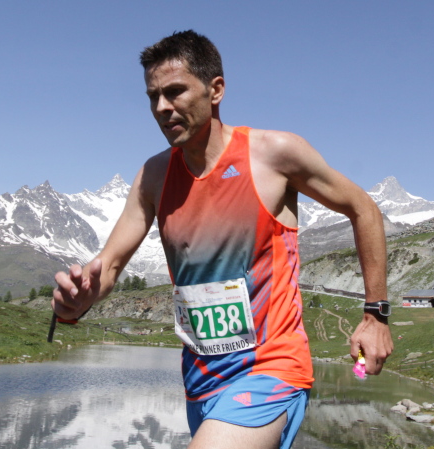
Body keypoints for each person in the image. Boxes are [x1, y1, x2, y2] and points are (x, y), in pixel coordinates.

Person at [53, 30, 393, 449]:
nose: (161, 107)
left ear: (216, 90)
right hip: (200, 383)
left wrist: (375, 316)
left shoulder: (275, 154)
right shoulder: (154, 176)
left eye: (175, 92)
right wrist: (79, 299)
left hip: (270, 371)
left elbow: (364, 209)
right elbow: (110, 266)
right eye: (153, 96)